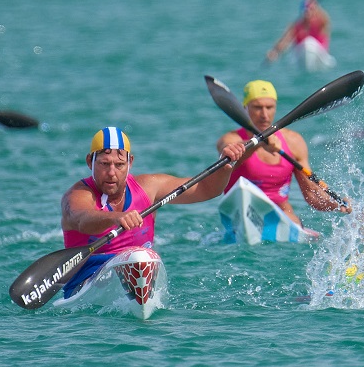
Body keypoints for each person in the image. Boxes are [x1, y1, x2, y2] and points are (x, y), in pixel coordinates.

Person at [60, 126, 246, 297]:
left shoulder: (149, 187)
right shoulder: (78, 195)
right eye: (103, 164)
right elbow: (81, 220)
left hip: (140, 270)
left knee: (142, 257)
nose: (111, 173)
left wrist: (225, 167)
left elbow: (207, 189)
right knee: (140, 258)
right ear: (89, 161)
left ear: (130, 162)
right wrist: (116, 217)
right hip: (85, 284)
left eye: (119, 165)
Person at [216, 79, 350, 226]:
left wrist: (336, 204)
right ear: (244, 108)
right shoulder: (231, 139)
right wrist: (258, 143)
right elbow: (230, 154)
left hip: (281, 212)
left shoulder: (293, 142)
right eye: (257, 107)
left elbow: (311, 194)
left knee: (296, 222)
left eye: (269, 107)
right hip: (239, 212)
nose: (264, 115)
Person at [266, 0, 331, 63]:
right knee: (307, 43)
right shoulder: (296, 26)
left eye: (311, 9)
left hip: (319, 54)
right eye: (306, 10)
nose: (308, 12)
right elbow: (285, 41)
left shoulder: (321, 22)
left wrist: (315, 6)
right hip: (301, 55)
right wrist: (275, 51)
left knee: (309, 43)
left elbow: (325, 18)